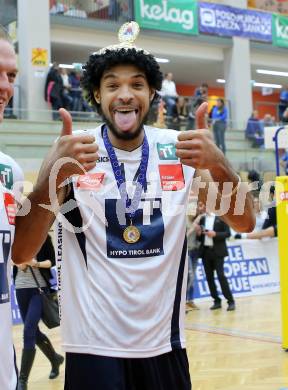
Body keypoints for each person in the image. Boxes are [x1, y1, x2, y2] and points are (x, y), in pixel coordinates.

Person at [12, 22, 255, 390]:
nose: (125, 94)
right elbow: (22, 252)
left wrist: (218, 163)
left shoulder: (180, 149)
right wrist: (51, 176)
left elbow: (246, 221)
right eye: (112, 85)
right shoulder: (74, 151)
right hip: (92, 349)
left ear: (153, 92)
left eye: (137, 84)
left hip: (165, 346)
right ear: (96, 93)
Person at [13, 235, 64, 389]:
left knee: (28, 330)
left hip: (38, 290)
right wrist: (19, 262)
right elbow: (15, 262)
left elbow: (51, 262)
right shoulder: (17, 238)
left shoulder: (43, 237)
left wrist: (36, 263)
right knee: (34, 334)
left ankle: (22, 380)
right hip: (21, 289)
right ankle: (55, 359)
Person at [197, 212, 235, 311]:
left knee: (221, 276)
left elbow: (228, 233)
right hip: (206, 252)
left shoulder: (222, 217)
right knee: (209, 278)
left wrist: (215, 234)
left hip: (218, 251)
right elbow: (200, 238)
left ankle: (230, 301)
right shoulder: (202, 219)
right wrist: (198, 234)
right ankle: (216, 301)